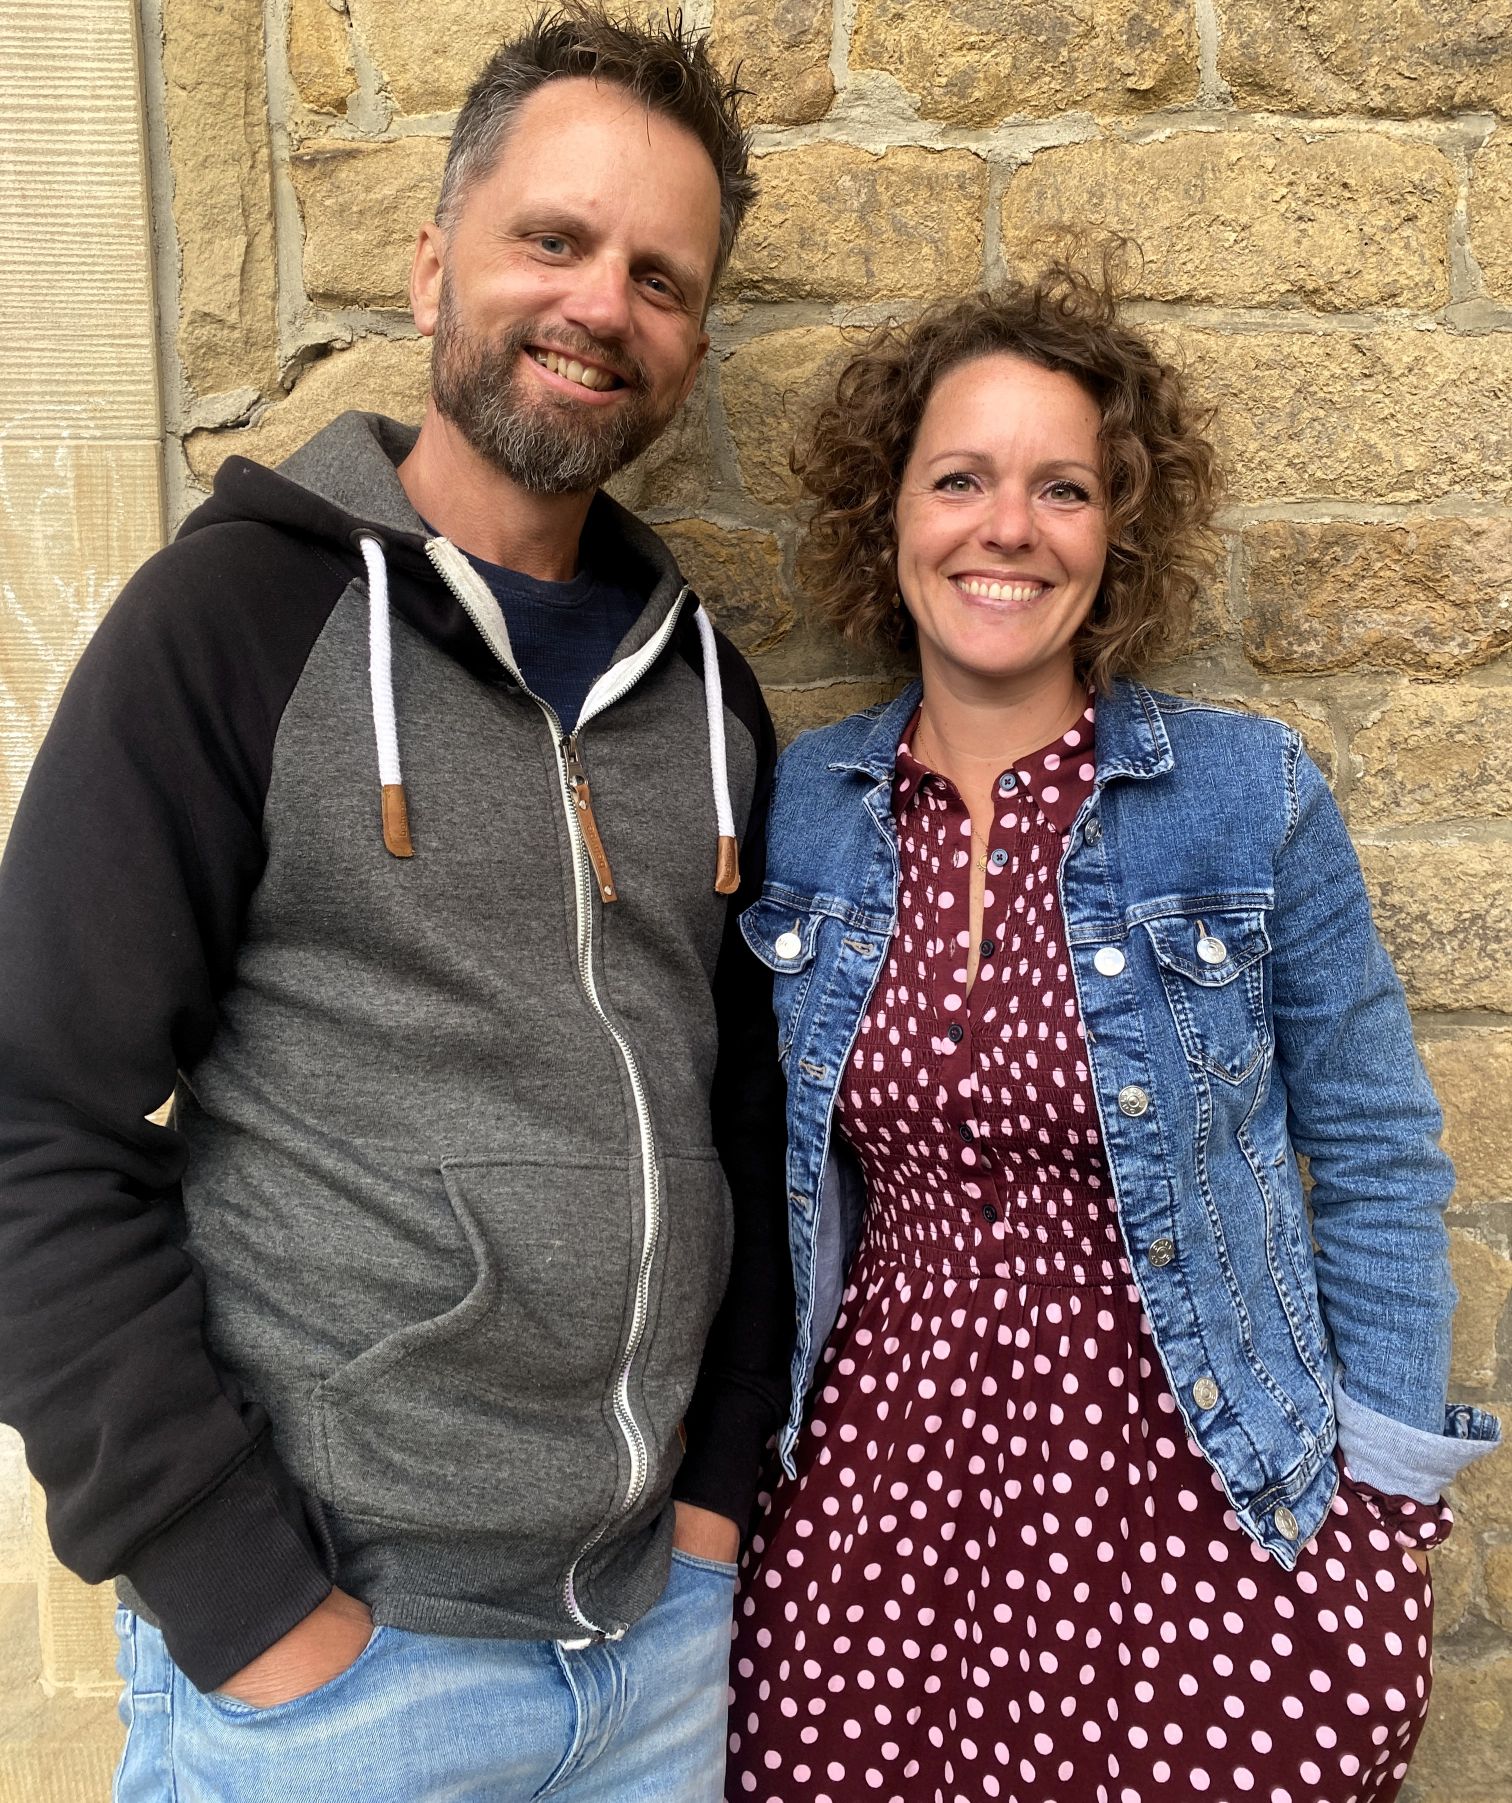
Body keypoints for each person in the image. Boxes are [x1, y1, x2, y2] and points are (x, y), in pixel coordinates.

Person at [0, 8, 791, 1798]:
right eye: (555, 239)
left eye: (662, 278)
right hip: (351, 1678)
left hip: (655, 1654)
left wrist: (722, 1498)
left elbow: (745, 1116)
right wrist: (242, 1600)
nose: (604, 304)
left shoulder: (716, 706)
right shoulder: (232, 631)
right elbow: (33, 1115)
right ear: (436, 261)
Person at [725, 266, 1500, 1803]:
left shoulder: (1243, 795)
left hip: (1205, 1500)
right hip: (874, 1512)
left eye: (1061, 487)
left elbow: (1375, 1149)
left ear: (1114, 530)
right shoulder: (802, 808)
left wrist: (1382, 1520)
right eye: (960, 479)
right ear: (890, 516)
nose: (1006, 527)